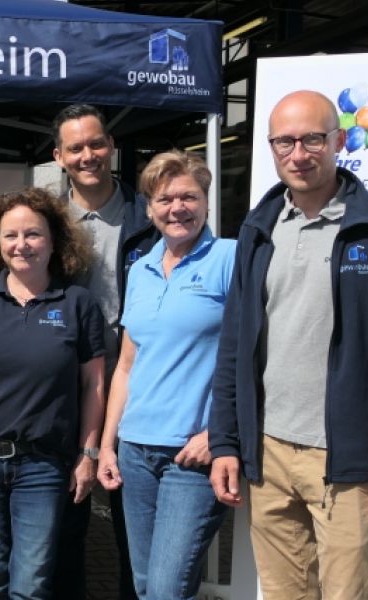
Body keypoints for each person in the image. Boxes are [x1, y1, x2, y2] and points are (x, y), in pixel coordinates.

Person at [209, 90, 368, 600]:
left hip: (349, 462)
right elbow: (235, 345)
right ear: (271, 148)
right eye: (284, 141)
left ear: (338, 140)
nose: (299, 153)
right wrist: (226, 442)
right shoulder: (258, 228)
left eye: (312, 138)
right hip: (268, 456)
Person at [0, 187, 105, 599]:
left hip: (44, 465)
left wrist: (88, 455)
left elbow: (94, 385)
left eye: (33, 234)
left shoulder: (77, 303)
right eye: (11, 235)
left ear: (53, 241)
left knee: (30, 584)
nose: (21, 244)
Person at [97, 150, 233, 599]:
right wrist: (107, 446)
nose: (177, 208)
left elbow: (260, 357)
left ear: (207, 202)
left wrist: (222, 433)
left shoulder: (231, 259)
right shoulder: (141, 270)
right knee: (144, 585)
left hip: (191, 457)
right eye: (164, 199)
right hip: (135, 452)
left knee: (167, 589)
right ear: (151, 209)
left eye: (188, 197)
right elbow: (126, 366)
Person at [51, 103, 160, 599]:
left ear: (111, 147)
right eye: (76, 147)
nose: (88, 154)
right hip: (64, 386)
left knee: (131, 525)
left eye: (96, 143)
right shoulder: (46, 222)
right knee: (63, 525)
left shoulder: (150, 216)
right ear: (59, 156)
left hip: (137, 382)